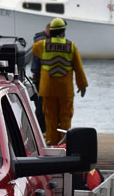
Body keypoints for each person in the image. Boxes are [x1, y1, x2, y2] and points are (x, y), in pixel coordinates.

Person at [31, 17, 88, 145]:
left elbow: (34, 49)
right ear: (63, 32)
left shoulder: (42, 45)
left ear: (50, 31)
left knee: (50, 117)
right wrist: (82, 85)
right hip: (65, 89)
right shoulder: (71, 46)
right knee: (65, 117)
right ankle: (64, 143)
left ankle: (51, 142)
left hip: (47, 89)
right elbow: (78, 68)